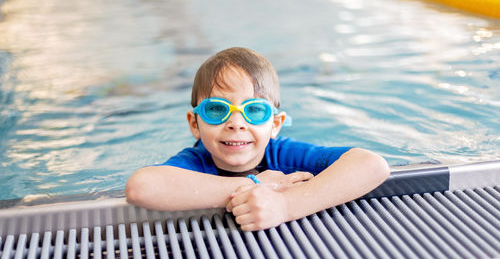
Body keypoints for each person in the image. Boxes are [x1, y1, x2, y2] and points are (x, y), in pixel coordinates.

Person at [126, 47, 390, 231]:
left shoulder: (282, 155)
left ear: (275, 124)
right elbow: (142, 187)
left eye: (254, 110)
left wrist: (285, 206)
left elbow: (371, 164)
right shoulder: (196, 162)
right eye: (217, 109)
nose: (236, 124)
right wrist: (255, 184)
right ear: (194, 124)